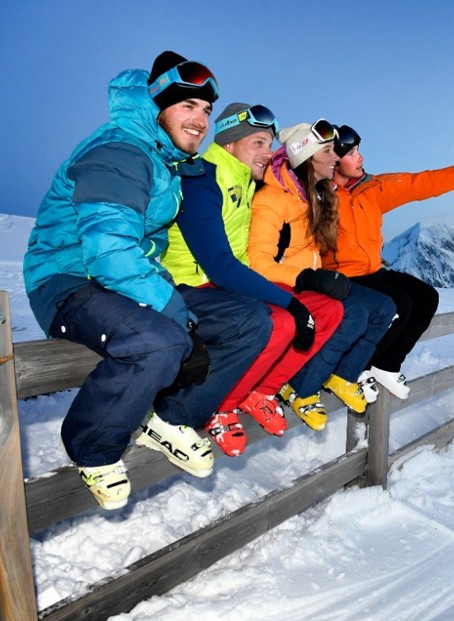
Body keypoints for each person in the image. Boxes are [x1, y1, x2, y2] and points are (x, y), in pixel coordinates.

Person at [22, 52, 272, 509]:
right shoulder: (121, 149)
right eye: (186, 106)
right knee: (160, 340)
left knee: (249, 320)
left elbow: (137, 256)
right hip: (67, 281)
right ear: (156, 106)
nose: (199, 120)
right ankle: (93, 446)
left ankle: (170, 418)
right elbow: (110, 251)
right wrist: (181, 320)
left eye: (205, 110)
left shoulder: (165, 159)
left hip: (125, 281)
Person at [163, 103, 345, 456]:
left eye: (269, 144)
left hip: (224, 282)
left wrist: (299, 293)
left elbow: (246, 260)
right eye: (258, 143)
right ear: (230, 143)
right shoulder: (203, 179)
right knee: (278, 320)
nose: (268, 153)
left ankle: (261, 391)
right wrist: (290, 302)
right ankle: (221, 405)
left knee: (327, 310)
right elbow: (218, 264)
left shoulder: (244, 180)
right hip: (189, 286)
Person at [325, 124, 454, 398]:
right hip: (338, 277)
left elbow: (421, 183)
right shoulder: (318, 195)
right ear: (332, 160)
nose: (361, 158)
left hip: (370, 271)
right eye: (352, 153)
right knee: (400, 304)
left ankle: (385, 365)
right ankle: (355, 369)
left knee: (426, 296)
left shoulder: (372, 188)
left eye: (359, 151)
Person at [249, 120, 396, 429]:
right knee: (352, 315)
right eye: (328, 151)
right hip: (286, 284)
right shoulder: (272, 200)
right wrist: (309, 279)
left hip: (312, 280)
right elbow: (258, 264)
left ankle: (340, 375)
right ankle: (300, 388)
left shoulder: (316, 195)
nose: (335, 158)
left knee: (384, 308)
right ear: (306, 157)